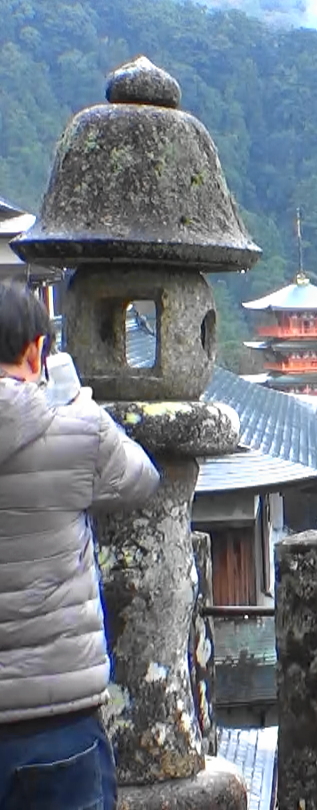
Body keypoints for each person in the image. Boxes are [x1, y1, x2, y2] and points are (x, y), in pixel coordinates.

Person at [0, 281, 160, 810]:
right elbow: (141, 477)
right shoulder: (78, 431)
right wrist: (75, 399)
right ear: (36, 351)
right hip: (61, 716)